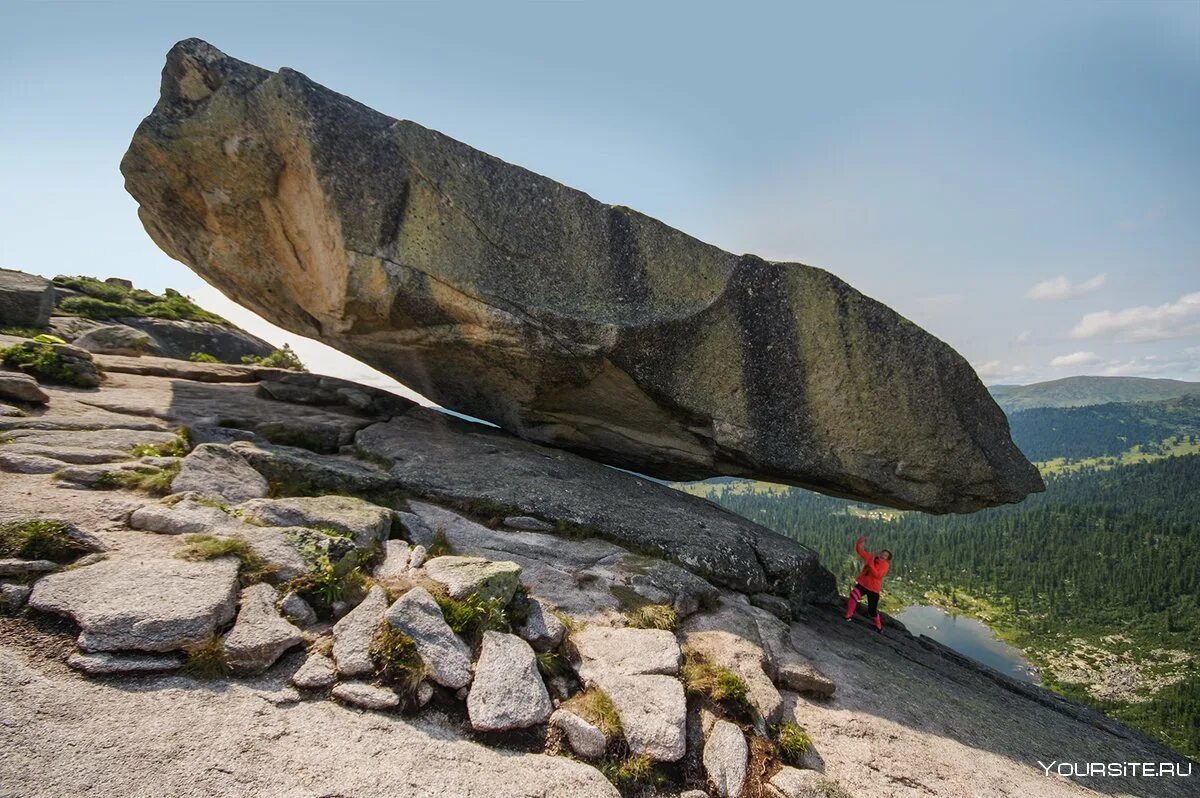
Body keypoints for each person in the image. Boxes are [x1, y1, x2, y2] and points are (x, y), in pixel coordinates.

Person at [845, 535, 891, 631]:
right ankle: (848, 615)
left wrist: (870, 565)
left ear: (887, 559)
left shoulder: (885, 565)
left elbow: (877, 575)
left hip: (873, 589)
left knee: (872, 611)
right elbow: (860, 551)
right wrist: (859, 543)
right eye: (883, 553)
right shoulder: (871, 557)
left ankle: (878, 625)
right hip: (863, 584)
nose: (883, 555)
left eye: (885, 555)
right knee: (853, 595)